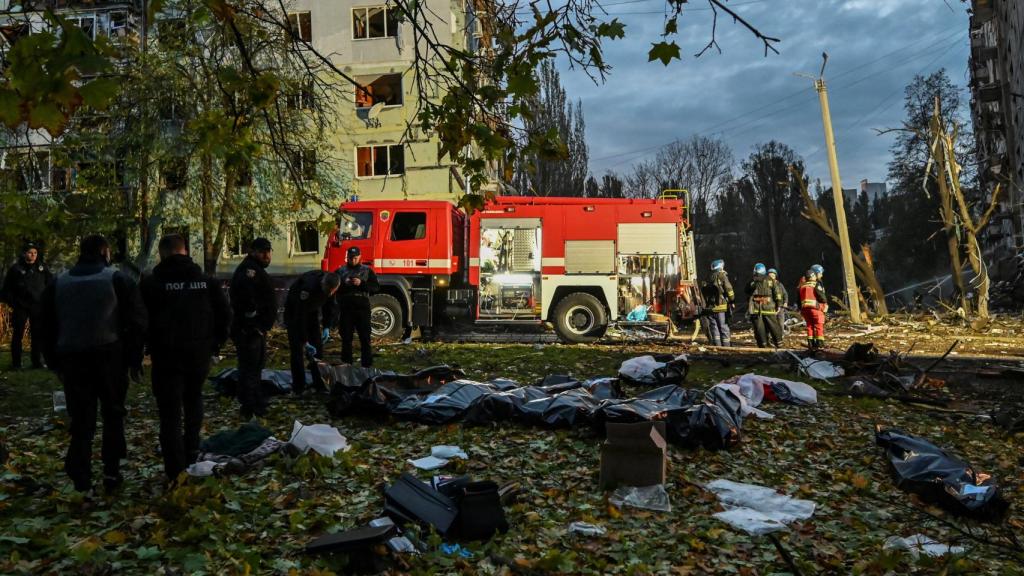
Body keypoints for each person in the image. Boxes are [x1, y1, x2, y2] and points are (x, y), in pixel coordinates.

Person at [39, 235, 147, 494]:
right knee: (113, 414)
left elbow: (44, 325)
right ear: (104, 251)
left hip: (72, 359)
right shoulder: (117, 279)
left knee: (81, 420)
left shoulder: (59, 282)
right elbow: (138, 321)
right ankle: (111, 471)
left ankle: (81, 477)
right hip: (110, 357)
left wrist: (54, 362)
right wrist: (134, 359)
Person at [141, 234, 231, 482]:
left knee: (169, 411)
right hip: (198, 354)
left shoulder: (151, 284)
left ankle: (174, 467)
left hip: (166, 356)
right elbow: (225, 315)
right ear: (185, 251)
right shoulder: (205, 281)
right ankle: (192, 451)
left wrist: (144, 347)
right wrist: (215, 344)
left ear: (163, 253)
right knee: (194, 400)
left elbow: (140, 320)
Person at [229, 238, 276, 419]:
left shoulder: (256, 269)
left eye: (268, 251)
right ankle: (249, 406)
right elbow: (243, 296)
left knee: (256, 366)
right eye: (262, 252)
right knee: (250, 367)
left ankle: (255, 400)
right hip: (249, 330)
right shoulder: (249, 270)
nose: (266, 255)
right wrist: (252, 319)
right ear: (253, 251)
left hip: (256, 329)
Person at [284, 270, 341, 394]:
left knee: (317, 349)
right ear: (323, 284)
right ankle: (299, 386)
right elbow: (300, 315)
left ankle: (319, 384)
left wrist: (326, 326)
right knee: (297, 350)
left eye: (333, 291)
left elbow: (329, 306)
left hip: (311, 313)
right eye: (328, 291)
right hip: (294, 313)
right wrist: (304, 341)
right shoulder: (308, 287)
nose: (330, 293)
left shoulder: (332, 284)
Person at [1, 242, 52, 369]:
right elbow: (6, 290)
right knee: (18, 335)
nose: (33, 255)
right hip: (20, 307)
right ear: (24, 254)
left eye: (35, 253)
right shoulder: (16, 269)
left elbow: (50, 284)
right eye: (30, 252)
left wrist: (46, 302)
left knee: (37, 335)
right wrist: (13, 303)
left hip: (37, 306)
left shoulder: (42, 268)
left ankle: (37, 362)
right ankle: (17, 364)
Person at [335, 246, 379, 367]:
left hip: (362, 308)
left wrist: (361, 284)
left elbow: (375, 287)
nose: (353, 260)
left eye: (355, 258)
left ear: (360, 257)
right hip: (346, 308)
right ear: (347, 258)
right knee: (346, 338)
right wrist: (345, 284)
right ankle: (346, 363)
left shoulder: (367, 270)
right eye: (350, 258)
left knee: (365, 337)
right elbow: (333, 288)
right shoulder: (340, 271)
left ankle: (366, 365)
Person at [746, 262, 784, 348]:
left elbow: (746, 291)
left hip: (756, 308)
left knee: (759, 328)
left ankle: (762, 345)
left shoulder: (752, 280)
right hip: (769, 307)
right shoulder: (771, 280)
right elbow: (777, 293)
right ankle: (779, 343)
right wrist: (779, 304)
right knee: (774, 326)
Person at [701, 259, 735, 347]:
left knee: (714, 327)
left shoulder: (707, 277)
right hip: (721, 307)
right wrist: (732, 300)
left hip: (710, 308)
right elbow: (729, 289)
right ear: (721, 267)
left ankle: (718, 346)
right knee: (723, 327)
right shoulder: (722, 276)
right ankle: (727, 347)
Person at [799, 264, 829, 350]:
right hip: (816, 308)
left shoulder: (802, 285)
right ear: (815, 274)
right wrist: (825, 304)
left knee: (809, 326)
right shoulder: (815, 284)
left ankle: (811, 344)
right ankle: (820, 344)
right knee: (819, 326)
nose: (821, 275)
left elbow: (799, 297)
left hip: (805, 309)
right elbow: (821, 295)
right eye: (820, 273)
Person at [768, 268, 789, 335]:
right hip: (770, 306)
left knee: (780, 322)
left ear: (775, 276)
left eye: (773, 275)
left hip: (780, 306)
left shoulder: (779, 284)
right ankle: (772, 336)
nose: (771, 277)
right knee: (771, 323)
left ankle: (781, 335)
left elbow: (785, 294)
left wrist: (785, 302)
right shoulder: (766, 285)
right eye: (770, 275)